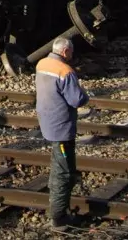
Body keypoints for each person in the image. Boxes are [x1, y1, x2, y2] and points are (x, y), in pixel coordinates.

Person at [35, 37, 89, 228]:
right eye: (71, 53)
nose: (72, 56)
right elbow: (76, 100)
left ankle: (55, 202)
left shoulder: (42, 63)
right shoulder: (65, 71)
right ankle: (58, 217)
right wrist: (85, 95)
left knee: (58, 164)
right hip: (61, 127)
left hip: (47, 121)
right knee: (63, 172)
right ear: (65, 52)